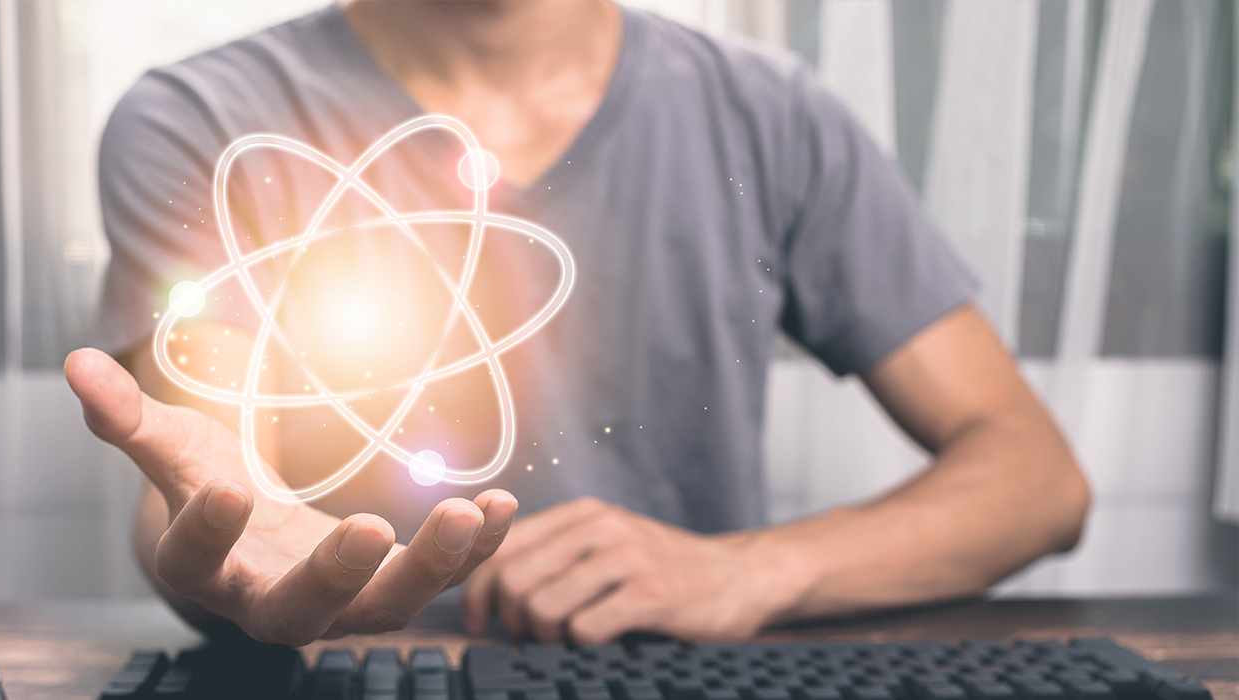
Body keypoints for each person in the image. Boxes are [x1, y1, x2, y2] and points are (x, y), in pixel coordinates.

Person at [63, 0, 1092, 646]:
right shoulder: (200, 116)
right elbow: (215, 476)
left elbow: (1034, 480)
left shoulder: (771, 115)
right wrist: (228, 544)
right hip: (350, 675)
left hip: (682, 673)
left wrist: (750, 570)